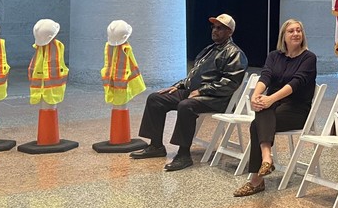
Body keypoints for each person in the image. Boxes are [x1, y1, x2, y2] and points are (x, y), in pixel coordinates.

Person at [130, 14, 248, 171]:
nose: (215, 30)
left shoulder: (235, 53)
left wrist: (202, 90)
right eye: (213, 27)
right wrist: (179, 86)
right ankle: (156, 146)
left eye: (220, 28)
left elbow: (230, 84)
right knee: (155, 98)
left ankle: (184, 155)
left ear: (230, 32)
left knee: (186, 106)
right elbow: (194, 74)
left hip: (217, 98)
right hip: (197, 92)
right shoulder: (209, 49)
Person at [233, 19, 317, 197]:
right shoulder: (274, 56)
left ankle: (258, 178)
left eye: (298, 30)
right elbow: (266, 76)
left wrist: (269, 99)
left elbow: (296, 83)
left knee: (258, 123)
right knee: (261, 114)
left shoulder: (308, 58)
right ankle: (266, 160)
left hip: (297, 109)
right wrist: (256, 95)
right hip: (274, 106)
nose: (295, 34)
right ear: (283, 36)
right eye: (291, 31)